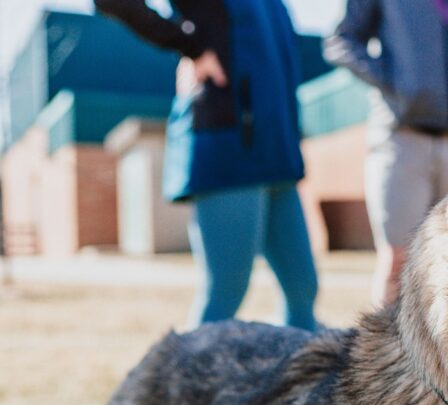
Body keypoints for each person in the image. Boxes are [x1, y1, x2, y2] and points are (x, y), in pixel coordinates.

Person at [95, 0, 319, 331]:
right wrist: (193, 48)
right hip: (227, 148)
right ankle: (185, 381)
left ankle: (298, 379)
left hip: (277, 155)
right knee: (226, 291)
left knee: (303, 288)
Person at [325, 0, 448, 307]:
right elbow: (341, 41)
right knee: (398, 260)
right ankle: (391, 353)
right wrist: (397, 82)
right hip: (402, 140)